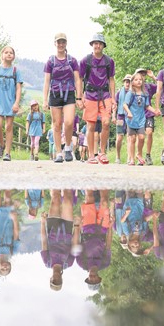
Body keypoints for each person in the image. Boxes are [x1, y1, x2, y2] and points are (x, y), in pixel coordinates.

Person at [43, 33, 82, 163]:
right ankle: (59, 152)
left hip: (69, 92)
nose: (60, 44)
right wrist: (44, 100)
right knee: (57, 124)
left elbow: (77, 79)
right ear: (55, 43)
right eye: (58, 42)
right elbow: (47, 81)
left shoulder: (72, 60)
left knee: (69, 122)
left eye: (63, 42)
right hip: (55, 94)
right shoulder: (50, 61)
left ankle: (68, 146)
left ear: (66, 44)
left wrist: (79, 97)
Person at [80, 33, 115, 164]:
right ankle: (91, 155)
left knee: (106, 122)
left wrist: (113, 98)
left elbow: (111, 79)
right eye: (95, 43)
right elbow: (80, 79)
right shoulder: (85, 60)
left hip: (105, 94)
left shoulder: (109, 61)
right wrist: (80, 96)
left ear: (103, 46)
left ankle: (102, 152)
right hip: (90, 94)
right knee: (91, 125)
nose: (97, 45)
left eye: (100, 43)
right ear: (92, 45)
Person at [75, 189, 113, 292]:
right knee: (104, 202)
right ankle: (103, 180)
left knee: (89, 198)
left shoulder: (81, 263)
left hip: (87, 228)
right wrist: (110, 227)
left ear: (87, 278)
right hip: (103, 229)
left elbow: (76, 243)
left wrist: (77, 225)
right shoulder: (105, 263)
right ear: (99, 278)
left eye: (90, 280)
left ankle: (90, 178)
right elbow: (108, 245)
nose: (92, 278)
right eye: (95, 281)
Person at [40, 189, 79, 291]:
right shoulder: (68, 263)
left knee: (55, 198)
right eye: (58, 281)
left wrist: (42, 223)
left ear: (51, 279)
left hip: (52, 227)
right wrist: (77, 226)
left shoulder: (47, 261)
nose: (56, 279)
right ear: (62, 279)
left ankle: (55, 177)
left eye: (54, 281)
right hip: (67, 229)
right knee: (67, 201)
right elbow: (74, 244)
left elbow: (44, 241)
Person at [122, 71, 154, 166]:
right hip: (131, 120)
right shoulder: (130, 93)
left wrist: (155, 111)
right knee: (132, 139)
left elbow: (147, 106)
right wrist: (129, 112)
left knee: (141, 137)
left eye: (140, 79)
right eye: (136, 79)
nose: (139, 81)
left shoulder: (145, 94)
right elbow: (125, 104)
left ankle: (139, 153)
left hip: (141, 119)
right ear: (132, 82)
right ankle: (132, 159)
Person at [133, 68, 161, 165]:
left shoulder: (149, 86)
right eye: (140, 74)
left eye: (144, 75)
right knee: (140, 137)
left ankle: (148, 155)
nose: (142, 76)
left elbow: (160, 86)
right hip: (138, 115)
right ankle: (139, 155)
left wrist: (153, 76)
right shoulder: (133, 88)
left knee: (149, 133)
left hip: (149, 113)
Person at [112, 74, 132, 164]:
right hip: (120, 116)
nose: (128, 83)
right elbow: (114, 105)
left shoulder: (134, 92)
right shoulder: (119, 92)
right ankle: (118, 156)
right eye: (126, 82)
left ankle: (129, 157)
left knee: (129, 137)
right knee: (119, 137)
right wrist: (113, 116)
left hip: (130, 117)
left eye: (129, 82)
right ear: (124, 82)